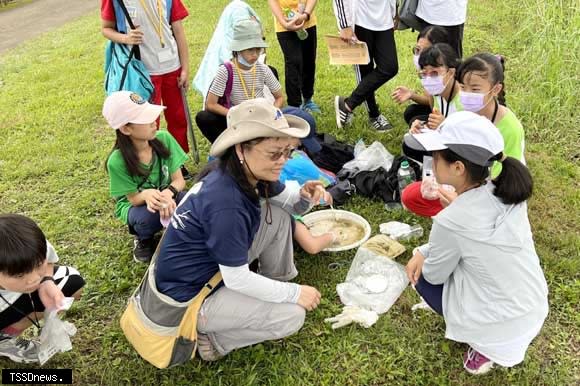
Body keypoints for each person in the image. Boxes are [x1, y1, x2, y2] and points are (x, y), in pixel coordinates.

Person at [153, 99, 330, 362]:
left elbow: (289, 206)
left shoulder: (241, 172)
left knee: (279, 215)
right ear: (241, 149)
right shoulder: (227, 203)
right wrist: (294, 294)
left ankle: (276, 281)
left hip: (208, 272)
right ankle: (211, 342)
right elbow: (236, 279)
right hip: (190, 298)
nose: (282, 161)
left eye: (288, 152)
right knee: (292, 315)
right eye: (274, 153)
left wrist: (305, 197)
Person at [404, 112, 548, 375]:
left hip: (500, 324)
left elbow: (435, 274)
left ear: (458, 168)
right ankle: (488, 339)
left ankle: (481, 344)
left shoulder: (451, 220)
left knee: (420, 275)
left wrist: (419, 252)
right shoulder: (506, 193)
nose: (431, 162)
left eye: (435, 157)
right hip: (533, 307)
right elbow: (477, 235)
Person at [402, 53, 525, 217]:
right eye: (463, 87)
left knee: (458, 210)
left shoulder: (510, 128)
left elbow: (503, 175)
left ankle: (460, 214)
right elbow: (448, 145)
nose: (466, 94)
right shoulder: (463, 109)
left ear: (496, 89)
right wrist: (423, 127)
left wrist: (461, 197)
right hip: (460, 178)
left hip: (488, 193)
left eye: (475, 89)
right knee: (410, 195)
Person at [195, 18, 320, 153]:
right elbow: (211, 104)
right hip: (237, 119)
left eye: (258, 49)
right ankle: (232, 152)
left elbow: (279, 97)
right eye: (250, 50)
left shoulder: (263, 68)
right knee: (204, 117)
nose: (255, 55)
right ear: (238, 50)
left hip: (262, 116)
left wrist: (271, 111)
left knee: (303, 118)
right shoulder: (225, 71)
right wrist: (234, 114)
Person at [100, 0, 192, 178]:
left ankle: (177, 163)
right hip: (143, 71)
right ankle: (153, 166)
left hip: (172, 67)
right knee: (148, 122)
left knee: (178, 118)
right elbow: (106, 28)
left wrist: (185, 68)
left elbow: (179, 31)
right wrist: (125, 38)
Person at [103, 91, 188, 263]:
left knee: (190, 202)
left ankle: (179, 227)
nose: (153, 123)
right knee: (147, 219)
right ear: (126, 129)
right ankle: (143, 238)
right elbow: (133, 199)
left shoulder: (163, 138)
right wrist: (148, 195)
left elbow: (179, 180)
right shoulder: (117, 161)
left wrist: (168, 193)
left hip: (166, 194)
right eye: (145, 120)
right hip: (139, 205)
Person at [0, 214, 85, 364]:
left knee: (72, 281)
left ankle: (4, 338)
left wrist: (47, 280)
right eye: (20, 274)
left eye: (38, 265)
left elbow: (49, 258)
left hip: (13, 300)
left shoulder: (28, 244)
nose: (33, 279)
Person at [332, 0, 399, 132]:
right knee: (365, 70)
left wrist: (395, 11)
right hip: (360, 18)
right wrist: (345, 25)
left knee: (389, 67)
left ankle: (347, 104)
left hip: (384, 17)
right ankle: (374, 115)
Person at [402, 43, 462, 162]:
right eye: (424, 74)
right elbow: (437, 122)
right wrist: (423, 126)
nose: (429, 79)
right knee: (409, 145)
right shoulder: (437, 93)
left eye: (434, 73)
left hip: (462, 152)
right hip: (445, 140)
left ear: (450, 72)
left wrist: (445, 125)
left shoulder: (463, 100)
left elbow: (471, 139)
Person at [268, 0, 321, 113]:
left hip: (308, 22)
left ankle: (307, 99)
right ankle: (294, 106)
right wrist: (284, 23)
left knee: (309, 62)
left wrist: (305, 15)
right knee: (293, 62)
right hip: (285, 24)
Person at [392, 26, 450, 125]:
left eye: (426, 51)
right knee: (411, 112)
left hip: (452, 119)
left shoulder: (446, 73)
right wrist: (411, 95)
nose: (420, 55)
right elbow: (432, 103)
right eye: (417, 50)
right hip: (440, 112)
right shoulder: (427, 70)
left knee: (416, 120)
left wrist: (444, 124)